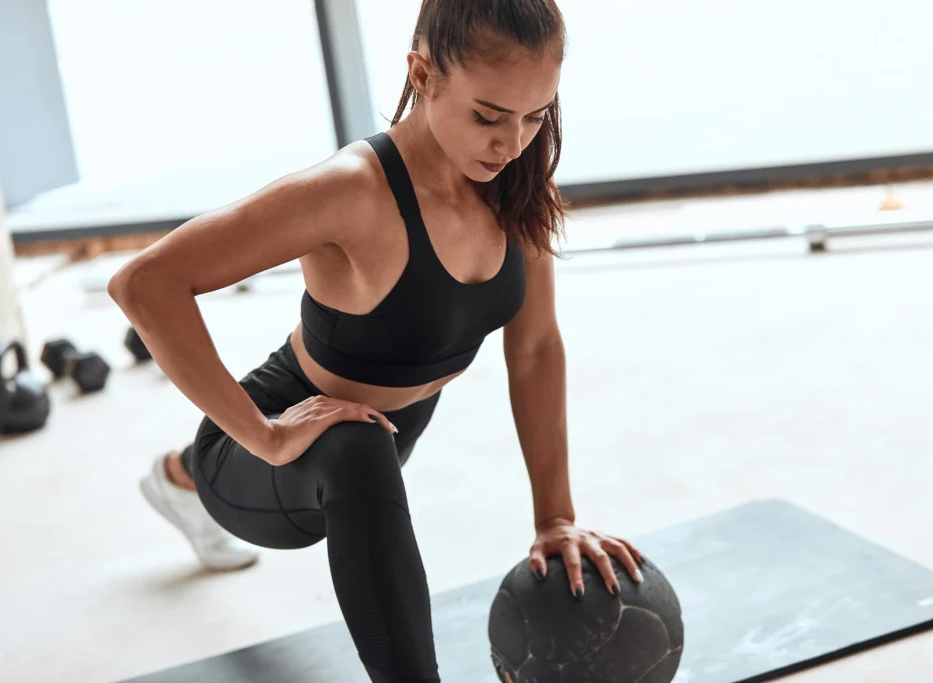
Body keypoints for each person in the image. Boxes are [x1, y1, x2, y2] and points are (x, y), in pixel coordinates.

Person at [109, 1, 645, 681]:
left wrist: (556, 517)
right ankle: (199, 473)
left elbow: (534, 347)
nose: (512, 142)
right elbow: (144, 283)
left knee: (367, 447)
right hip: (287, 447)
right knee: (357, 447)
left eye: (536, 115)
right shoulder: (349, 192)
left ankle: (177, 477)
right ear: (422, 73)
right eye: (488, 115)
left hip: (372, 454)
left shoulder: (514, 183)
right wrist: (265, 436)